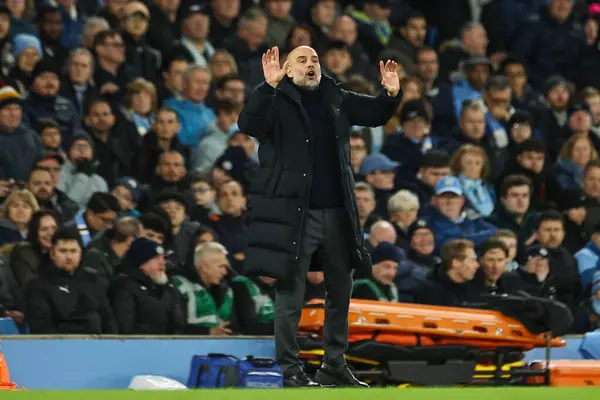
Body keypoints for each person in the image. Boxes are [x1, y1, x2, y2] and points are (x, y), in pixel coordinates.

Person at [238, 45, 400, 388]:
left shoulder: (334, 97)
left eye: (314, 60)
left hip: (338, 213)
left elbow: (374, 114)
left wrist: (389, 93)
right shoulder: (276, 101)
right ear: (288, 70)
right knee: (291, 295)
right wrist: (267, 86)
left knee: (341, 291)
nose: (311, 65)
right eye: (302, 60)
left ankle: (334, 365)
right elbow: (249, 123)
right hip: (295, 216)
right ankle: (291, 369)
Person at [110, 238, 184, 334]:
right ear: (141, 263)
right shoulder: (124, 287)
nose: (163, 263)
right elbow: (124, 328)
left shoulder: (168, 288)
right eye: (156, 258)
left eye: (163, 258)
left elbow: (178, 326)